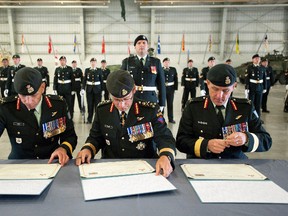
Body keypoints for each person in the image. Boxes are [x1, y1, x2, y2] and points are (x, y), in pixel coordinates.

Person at [76, 70, 176, 177]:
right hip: (110, 167)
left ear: (133, 90)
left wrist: (166, 156)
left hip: (144, 167)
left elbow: (165, 137)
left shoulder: (150, 110)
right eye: (117, 100)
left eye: (126, 99)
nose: (122, 105)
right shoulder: (102, 110)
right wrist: (88, 149)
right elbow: (95, 137)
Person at [176, 64, 272, 159]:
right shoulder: (193, 107)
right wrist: (206, 145)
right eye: (215, 89)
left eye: (225, 91)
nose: (219, 96)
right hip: (202, 163)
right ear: (208, 83)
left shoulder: (245, 107)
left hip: (234, 164)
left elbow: (266, 141)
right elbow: (181, 141)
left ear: (234, 86)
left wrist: (246, 138)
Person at [0, 67, 77, 166]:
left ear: (42, 87)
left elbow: (70, 136)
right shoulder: (6, 108)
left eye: (33, 95)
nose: (28, 101)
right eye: (23, 96)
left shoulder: (58, 105)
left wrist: (63, 149)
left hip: (52, 162)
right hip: (19, 164)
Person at [121, 35, 166, 112]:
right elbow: (122, 82)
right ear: (135, 47)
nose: (141, 45)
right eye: (139, 43)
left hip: (151, 100)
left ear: (147, 46)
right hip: (133, 99)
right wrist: (122, 100)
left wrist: (162, 103)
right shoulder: (127, 62)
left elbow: (161, 84)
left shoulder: (156, 62)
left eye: (144, 43)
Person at [245, 54, 267, 120]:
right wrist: (246, 88)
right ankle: (251, 118)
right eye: (256, 59)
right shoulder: (249, 67)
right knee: (251, 103)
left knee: (258, 104)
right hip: (252, 87)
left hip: (260, 87)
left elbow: (264, 78)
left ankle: (257, 118)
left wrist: (265, 87)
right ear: (253, 60)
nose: (257, 60)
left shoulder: (262, 68)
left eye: (258, 59)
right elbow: (247, 78)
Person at [81, 58, 103, 123]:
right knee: (90, 105)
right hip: (89, 90)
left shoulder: (99, 70)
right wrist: (82, 88)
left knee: (97, 105)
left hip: (98, 90)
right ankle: (89, 119)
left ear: (96, 63)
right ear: (90, 63)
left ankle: (97, 120)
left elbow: (101, 81)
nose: (93, 63)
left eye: (94, 62)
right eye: (92, 62)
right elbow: (84, 80)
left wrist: (103, 90)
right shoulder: (87, 70)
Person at [162, 58, 178, 123]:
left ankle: (170, 119)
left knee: (170, 104)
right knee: (161, 105)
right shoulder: (160, 69)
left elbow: (176, 79)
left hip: (171, 89)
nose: (167, 63)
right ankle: (161, 119)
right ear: (163, 63)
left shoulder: (173, 69)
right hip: (162, 89)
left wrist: (175, 89)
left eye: (168, 62)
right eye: (165, 62)